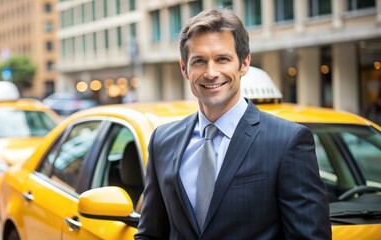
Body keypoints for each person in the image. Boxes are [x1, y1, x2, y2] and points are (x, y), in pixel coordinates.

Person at [135, 9, 331, 239]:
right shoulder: (162, 140)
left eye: (222, 59)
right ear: (184, 69)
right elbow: (150, 234)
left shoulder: (287, 141)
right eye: (199, 61)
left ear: (244, 63)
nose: (211, 72)